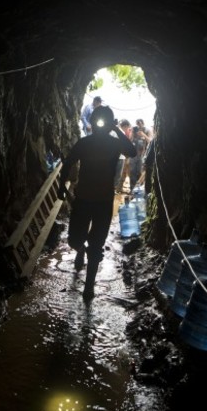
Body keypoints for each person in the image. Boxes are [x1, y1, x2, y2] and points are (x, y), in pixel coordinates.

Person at [58, 105, 137, 299]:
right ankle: (80, 250)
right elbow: (68, 162)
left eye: (105, 121)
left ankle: (89, 287)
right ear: (92, 122)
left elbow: (132, 152)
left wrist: (116, 129)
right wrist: (61, 185)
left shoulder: (114, 144)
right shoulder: (84, 143)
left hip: (103, 201)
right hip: (83, 198)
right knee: (74, 239)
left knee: (97, 245)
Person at [129, 118, 152, 193]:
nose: (139, 126)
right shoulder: (134, 130)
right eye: (137, 124)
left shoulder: (147, 130)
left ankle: (138, 190)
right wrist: (132, 133)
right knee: (132, 171)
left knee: (140, 172)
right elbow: (129, 140)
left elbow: (150, 141)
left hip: (142, 155)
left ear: (143, 123)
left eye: (140, 124)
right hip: (133, 155)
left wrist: (143, 135)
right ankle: (132, 189)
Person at [114, 119, 132, 193]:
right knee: (118, 175)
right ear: (125, 126)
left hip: (116, 156)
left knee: (116, 174)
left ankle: (114, 189)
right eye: (127, 127)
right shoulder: (120, 132)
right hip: (119, 156)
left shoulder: (114, 131)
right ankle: (114, 189)